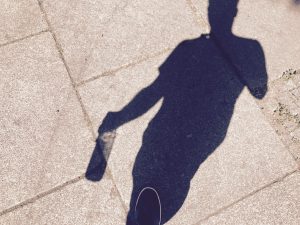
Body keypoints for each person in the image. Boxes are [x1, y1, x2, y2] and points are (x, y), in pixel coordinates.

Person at [86, 0, 268, 224]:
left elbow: (156, 90)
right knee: (181, 171)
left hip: (170, 125)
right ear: (234, 14)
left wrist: (120, 116)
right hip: (208, 128)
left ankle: (144, 219)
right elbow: (260, 91)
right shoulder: (250, 47)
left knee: (157, 171)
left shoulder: (189, 47)